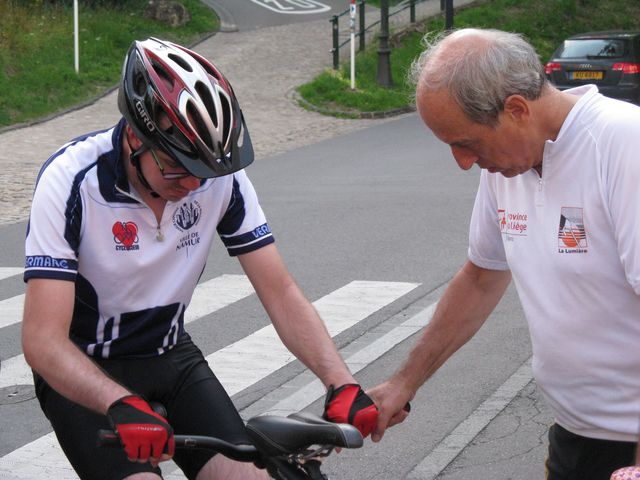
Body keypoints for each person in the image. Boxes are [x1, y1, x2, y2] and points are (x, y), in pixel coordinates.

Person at [21, 37, 378, 480]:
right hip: (86, 366)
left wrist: (340, 381)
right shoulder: (72, 180)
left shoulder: (217, 177)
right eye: (176, 167)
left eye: (204, 172)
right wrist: (118, 402)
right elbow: (42, 341)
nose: (193, 185)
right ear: (135, 134)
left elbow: (281, 292)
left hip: (171, 356)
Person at [366, 28, 640, 479]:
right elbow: (480, 278)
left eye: (465, 143)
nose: (461, 162)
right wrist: (403, 383)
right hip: (575, 434)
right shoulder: (506, 167)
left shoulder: (621, 144)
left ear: (516, 109)